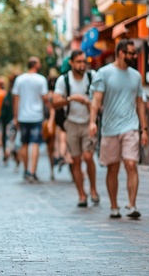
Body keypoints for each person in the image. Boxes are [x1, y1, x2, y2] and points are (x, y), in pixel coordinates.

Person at [89, 39, 149, 219]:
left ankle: (132, 205)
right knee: (112, 168)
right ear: (121, 53)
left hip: (130, 126)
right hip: (109, 128)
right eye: (131, 53)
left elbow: (140, 103)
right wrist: (92, 121)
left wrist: (143, 128)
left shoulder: (136, 76)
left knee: (131, 164)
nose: (134, 56)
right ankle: (114, 206)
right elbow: (96, 100)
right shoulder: (104, 73)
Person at [53, 50, 99, 207]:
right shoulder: (64, 80)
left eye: (84, 62)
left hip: (88, 122)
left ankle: (93, 189)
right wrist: (72, 98)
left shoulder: (93, 77)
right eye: (78, 62)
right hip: (71, 124)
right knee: (76, 160)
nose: (82, 65)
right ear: (71, 63)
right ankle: (81, 194)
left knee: (88, 157)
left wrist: (88, 103)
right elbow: (55, 101)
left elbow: (100, 100)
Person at [12, 56, 49, 182]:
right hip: (36, 116)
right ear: (36, 65)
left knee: (24, 143)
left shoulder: (20, 79)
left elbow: (16, 99)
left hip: (23, 116)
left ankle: (26, 170)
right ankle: (33, 171)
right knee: (35, 144)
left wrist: (15, 117)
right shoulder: (41, 79)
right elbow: (45, 98)